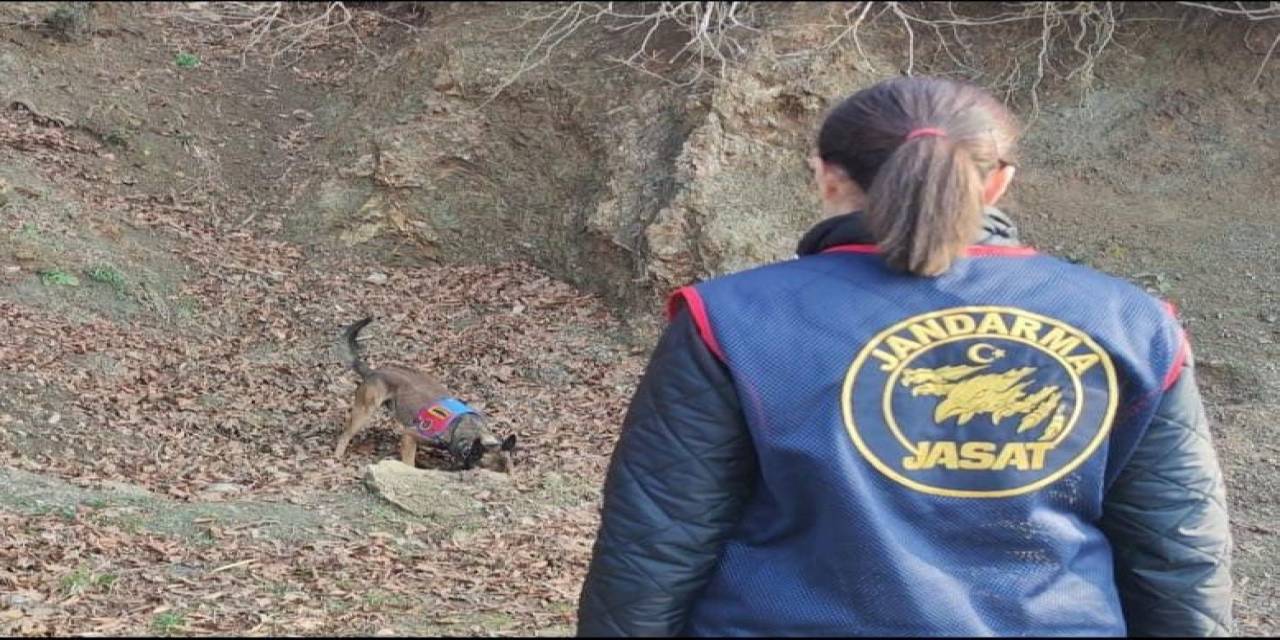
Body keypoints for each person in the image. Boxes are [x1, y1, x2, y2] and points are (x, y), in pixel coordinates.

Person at [575, 76, 1233, 637]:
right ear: (999, 183)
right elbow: (1176, 551)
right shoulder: (1128, 322)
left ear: (827, 178)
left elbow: (656, 541)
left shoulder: (733, 319)